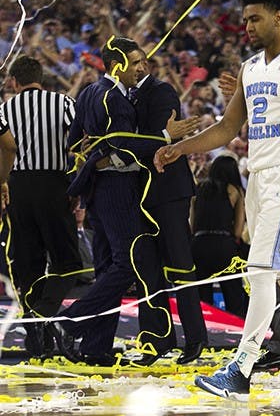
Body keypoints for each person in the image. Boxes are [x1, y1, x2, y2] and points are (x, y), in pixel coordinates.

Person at [154, 0, 280, 402]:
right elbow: (227, 129)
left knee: (261, 271)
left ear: (278, 16)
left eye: (255, 18)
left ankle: (240, 368)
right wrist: (179, 149)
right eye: (244, 19)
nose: (247, 26)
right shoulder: (248, 67)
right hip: (259, 178)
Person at [47, 37, 178, 366]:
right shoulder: (114, 99)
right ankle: (70, 320)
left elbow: (74, 141)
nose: (141, 68)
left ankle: (96, 346)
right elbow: (124, 145)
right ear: (117, 64)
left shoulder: (89, 92)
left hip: (96, 192)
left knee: (107, 267)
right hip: (118, 188)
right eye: (135, 62)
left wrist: (93, 153)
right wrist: (166, 136)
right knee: (128, 263)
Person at [1, 56, 83, 358]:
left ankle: (37, 334)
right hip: (53, 184)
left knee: (28, 264)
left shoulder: (4, 110)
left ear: (13, 82)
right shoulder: (62, 103)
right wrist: (77, 185)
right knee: (69, 263)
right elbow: (80, 142)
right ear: (42, 77)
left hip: (16, 187)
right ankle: (44, 314)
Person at [133, 58, 207, 365]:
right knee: (146, 269)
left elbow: (163, 138)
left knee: (180, 265)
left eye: (139, 61)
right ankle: (156, 341)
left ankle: (195, 338)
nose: (134, 67)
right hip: (140, 193)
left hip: (167, 190)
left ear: (147, 64)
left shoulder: (161, 91)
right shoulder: (122, 96)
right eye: (130, 62)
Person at [191, 154, 249, 317]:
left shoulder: (199, 189)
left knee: (202, 299)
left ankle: (203, 336)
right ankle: (236, 333)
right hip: (224, 246)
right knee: (233, 295)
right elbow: (238, 231)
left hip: (198, 245)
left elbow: (192, 225)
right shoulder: (235, 191)